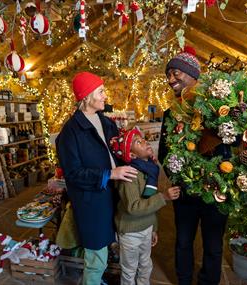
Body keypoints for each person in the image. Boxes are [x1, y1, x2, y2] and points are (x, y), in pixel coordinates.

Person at [56, 71, 138, 285]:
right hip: (91, 201)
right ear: (86, 96)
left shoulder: (106, 122)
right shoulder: (70, 133)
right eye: (100, 91)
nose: (105, 96)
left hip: (111, 195)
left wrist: (138, 155)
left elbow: (116, 152)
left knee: (104, 248)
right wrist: (109, 173)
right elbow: (73, 173)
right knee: (96, 257)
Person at [158, 47, 229, 285]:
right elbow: (163, 152)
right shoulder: (170, 115)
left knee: (213, 245)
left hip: (215, 191)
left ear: (192, 74)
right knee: (183, 241)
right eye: (168, 75)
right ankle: (184, 280)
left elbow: (231, 143)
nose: (170, 80)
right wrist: (178, 174)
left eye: (175, 73)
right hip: (185, 193)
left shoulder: (219, 108)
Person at [110, 128, 181, 285]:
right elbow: (134, 207)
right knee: (129, 270)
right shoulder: (130, 175)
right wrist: (163, 197)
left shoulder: (149, 171)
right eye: (138, 142)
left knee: (146, 265)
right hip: (131, 233)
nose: (144, 141)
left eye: (142, 139)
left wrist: (153, 227)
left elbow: (149, 202)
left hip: (146, 229)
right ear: (132, 155)